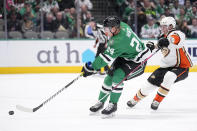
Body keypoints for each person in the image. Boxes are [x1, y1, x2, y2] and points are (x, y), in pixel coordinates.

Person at [81, 16, 154, 117]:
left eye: (107, 29)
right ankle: (101, 102)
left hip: (137, 62)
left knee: (117, 77)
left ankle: (113, 104)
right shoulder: (122, 26)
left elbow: (104, 59)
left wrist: (91, 67)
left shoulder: (118, 41)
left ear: (114, 28)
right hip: (125, 55)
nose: (105, 31)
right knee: (108, 77)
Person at [127, 16, 193, 110]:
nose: (162, 28)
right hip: (165, 67)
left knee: (169, 76)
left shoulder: (178, 33)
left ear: (171, 26)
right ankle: (135, 99)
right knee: (149, 84)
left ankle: (157, 100)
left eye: (164, 26)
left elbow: (175, 39)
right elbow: (158, 45)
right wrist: (151, 47)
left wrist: (168, 40)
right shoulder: (163, 37)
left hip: (181, 67)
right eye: (161, 26)